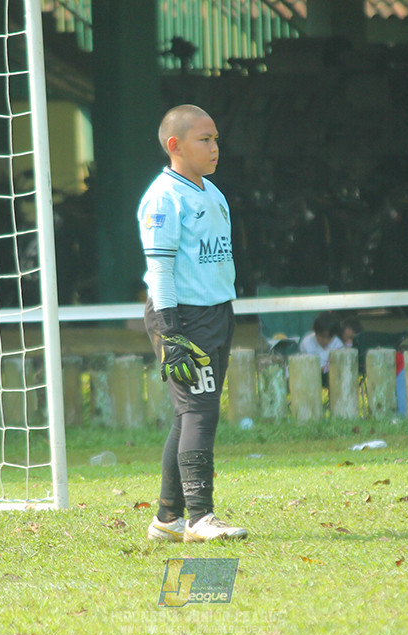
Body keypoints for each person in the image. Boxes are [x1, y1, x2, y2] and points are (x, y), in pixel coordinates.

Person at [139, 104, 247, 543]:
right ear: (175, 145)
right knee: (200, 413)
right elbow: (159, 272)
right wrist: (170, 331)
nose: (215, 147)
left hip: (218, 312)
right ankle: (201, 517)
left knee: (190, 414)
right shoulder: (164, 198)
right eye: (205, 139)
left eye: (216, 138)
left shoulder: (212, 192)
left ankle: (167, 519)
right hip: (183, 317)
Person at [299, 311, 344, 383]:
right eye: (322, 336)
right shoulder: (306, 343)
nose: (325, 341)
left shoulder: (338, 345)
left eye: (329, 337)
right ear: (315, 331)